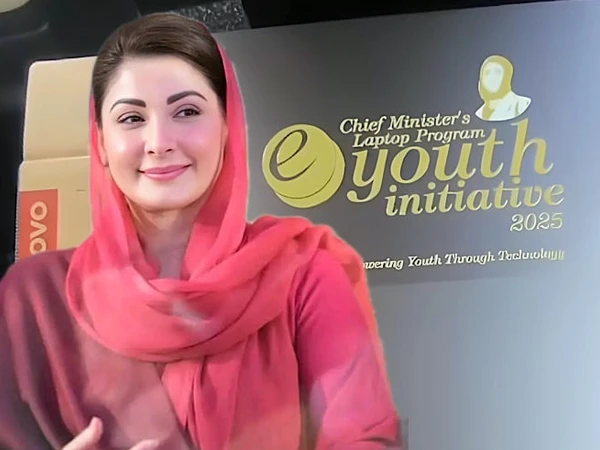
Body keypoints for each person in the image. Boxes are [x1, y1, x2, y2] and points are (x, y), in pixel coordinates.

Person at [0, 12, 401, 450]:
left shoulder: (302, 275)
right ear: (100, 142)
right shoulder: (34, 299)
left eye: (187, 111)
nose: (159, 142)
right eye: (131, 118)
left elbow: (363, 440)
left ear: (229, 126)